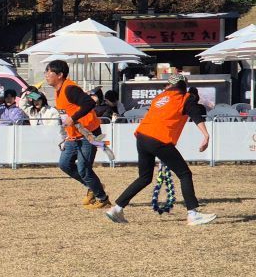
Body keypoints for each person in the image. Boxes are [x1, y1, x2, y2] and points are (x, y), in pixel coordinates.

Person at [106, 74, 216, 226]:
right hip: (159, 139)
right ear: (183, 86)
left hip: (142, 136)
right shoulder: (185, 98)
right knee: (184, 174)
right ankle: (193, 214)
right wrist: (206, 135)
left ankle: (116, 209)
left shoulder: (159, 98)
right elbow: (196, 114)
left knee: (144, 177)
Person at [43, 59, 111, 209]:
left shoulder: (70, 89)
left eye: (49, 72)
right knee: (65, 164)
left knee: (84, 168)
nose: (46, 75)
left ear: (60, 75)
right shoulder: (58, 90)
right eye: (46, 72)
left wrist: (73, 118)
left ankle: (103, 198)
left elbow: (90, 103)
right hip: (74, 135)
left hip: (89, 133)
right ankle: (95, 187)